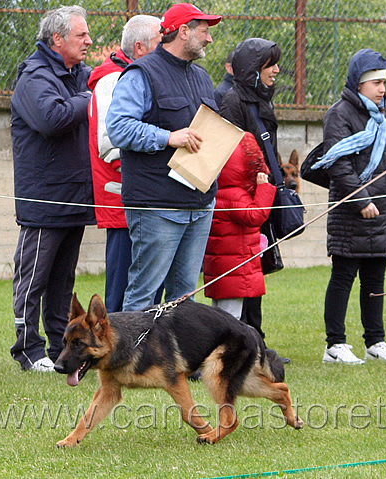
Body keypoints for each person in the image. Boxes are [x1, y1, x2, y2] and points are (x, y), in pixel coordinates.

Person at [105, 3, 221, 312]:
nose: (209, 39)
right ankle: (128, 361)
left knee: (184, 300)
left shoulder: (201, 77)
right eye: (204, 32)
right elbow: (118, 128)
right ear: (183, 32)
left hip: (199, 204)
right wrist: (168, 137)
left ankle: (174, 362)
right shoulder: (141, 73)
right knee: (144, 294)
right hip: (157, 206)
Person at [9, 5, 94, 372]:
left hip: (76, 194)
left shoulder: (80, 74)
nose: (89, 40)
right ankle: (27, 350)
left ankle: (61, 350)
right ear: (57, 39)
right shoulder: (34, 75)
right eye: (82, 35)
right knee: (33, 277)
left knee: (63, 279)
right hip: (43, 196)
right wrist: (90, 100)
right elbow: (52, 118)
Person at [313, 48, 386, 364]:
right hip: (352, 212)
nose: (382, 89)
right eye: (376, 82)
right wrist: (361, 201)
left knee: (375, 279)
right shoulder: (339, 114)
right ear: (359, 84)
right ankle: (334, 345)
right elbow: (338, 165)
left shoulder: (382, 115)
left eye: (384, 82)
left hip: (383, 209)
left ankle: (375, 341)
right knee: (343, 276)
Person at [87, 14, 162, 313]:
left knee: (148, 287)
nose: (167, 46)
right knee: (123, 291)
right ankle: (117, 355)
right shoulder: (112, 80)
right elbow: (110, 142)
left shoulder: (134, 73)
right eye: (161, 41)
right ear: (141, 47)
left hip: (142, 195)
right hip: (123, 199)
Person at [218, 37, 281, 340]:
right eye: (270, 65)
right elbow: (233, 153)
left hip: (262, 193)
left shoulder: (263, 98)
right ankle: (245, 338)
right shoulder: (233, 100)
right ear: (254, 69)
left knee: (256, 270)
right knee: (241, 273)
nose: (277, 70)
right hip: (243, 201)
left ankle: (254, 338)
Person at [203, 133, 276, 318]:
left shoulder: (218, 191)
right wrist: (264, 189)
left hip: (223, 268)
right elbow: (255, 215)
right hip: (235, 270)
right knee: (230, 318)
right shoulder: (235, 194)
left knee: (220, 313)